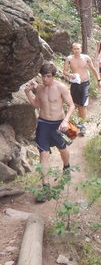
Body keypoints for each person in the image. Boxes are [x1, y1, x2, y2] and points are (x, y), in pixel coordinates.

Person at [24, 61, 75, 202]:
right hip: (43, 124)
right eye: (43, 76)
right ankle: (45, 188)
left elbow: (71, 105)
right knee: (43, 154)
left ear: (53, 76)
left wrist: (65, 121)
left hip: (59, 124)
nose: (45, 79)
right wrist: (28, 92)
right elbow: (36, 105)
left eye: (48, 77)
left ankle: (66, 166)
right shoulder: (39, 88)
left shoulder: (61, 87)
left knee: (62, 149)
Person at [63, 42, 101, 135]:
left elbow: (92, 68)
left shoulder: (86, 58)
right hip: (75, 83)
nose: (76, 50)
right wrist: (70, 75)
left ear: (81, 49)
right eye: (74, 49)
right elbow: (65, 71)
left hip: (85, 83)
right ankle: (76, 122)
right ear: (72, 49)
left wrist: (98, 79)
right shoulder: (69, 59)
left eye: (78, 49)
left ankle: (83, 125)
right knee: (76, 104)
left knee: (83, 104)